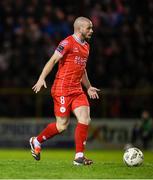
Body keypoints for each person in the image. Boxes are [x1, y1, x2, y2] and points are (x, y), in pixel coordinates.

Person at [29, 16, 100, 165]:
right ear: (80, 28)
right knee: (61, 126)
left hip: (77, 89)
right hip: (62, 89)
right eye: (89, 28)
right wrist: (42, 78)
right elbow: (53, 60)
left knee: (85, 118)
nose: (92, 31)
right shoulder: (67, 42)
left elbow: (82, 69)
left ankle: (79, 156)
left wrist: (88, 87)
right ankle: (36, 141)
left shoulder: (86, 46)